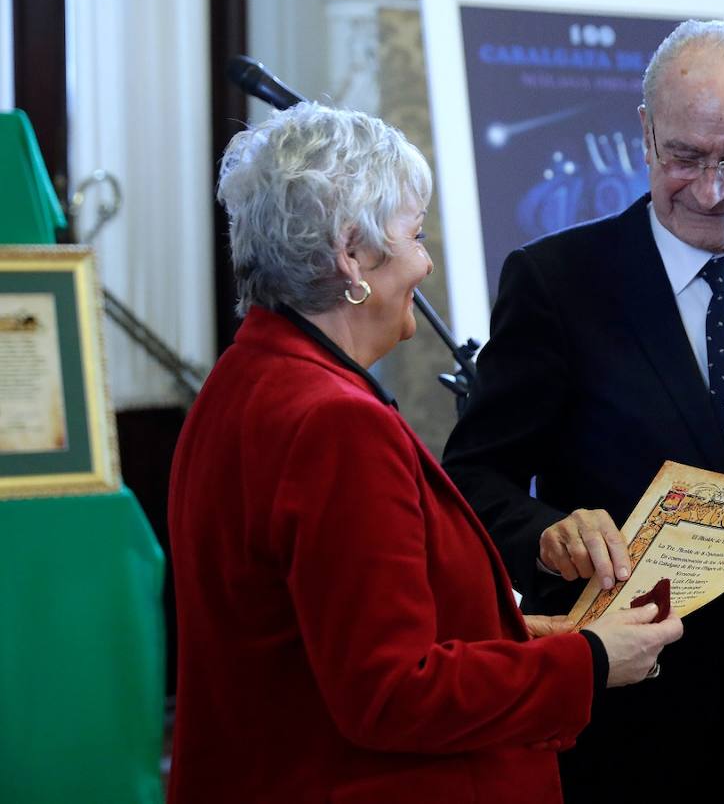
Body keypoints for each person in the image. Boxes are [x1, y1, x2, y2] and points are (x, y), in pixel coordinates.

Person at [167, 103, 682, 804]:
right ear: (352, 253)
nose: (426, 260)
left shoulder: (246, 376)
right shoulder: (335, 425)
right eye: (414, 233)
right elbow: (388, 691)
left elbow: (314, 634)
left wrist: (526, 633)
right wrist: (588, 660)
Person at [442, 20, 724, 804]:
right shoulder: (557, 282)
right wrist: (548, 532)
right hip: (621, 729)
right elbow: (472, 478)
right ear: (644, 133)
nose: (709, 190)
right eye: (685, 156)